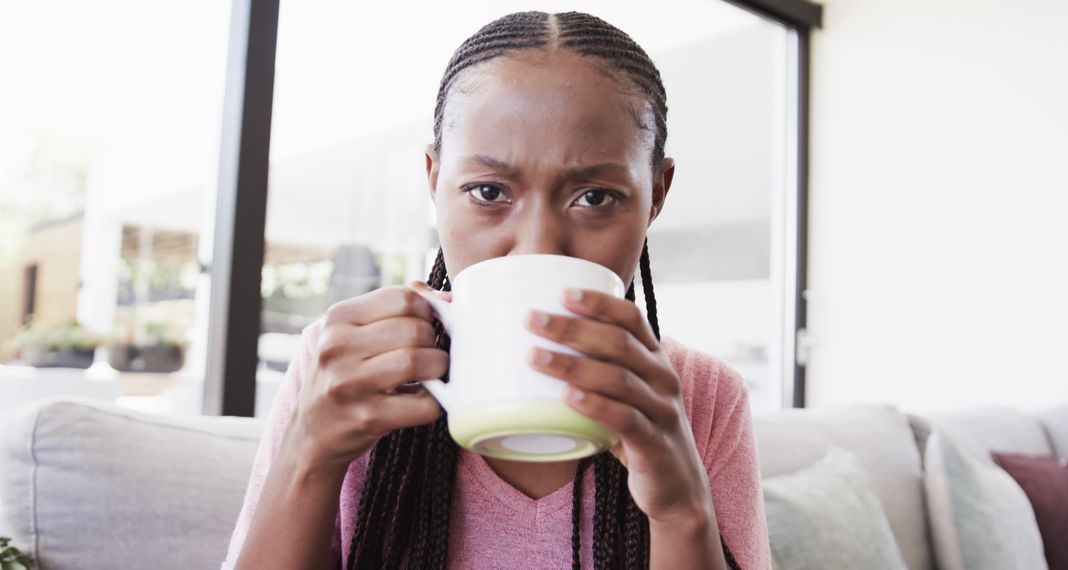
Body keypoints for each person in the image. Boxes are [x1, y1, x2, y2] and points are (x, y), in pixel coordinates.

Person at [223, 11, 770, 570]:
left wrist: (681, 511)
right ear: (436, 183)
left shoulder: (703, 396)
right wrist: (309, 456)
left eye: (596, 198)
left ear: (656, 195)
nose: (537, 248)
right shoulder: (344, 371)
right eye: (488, 191)